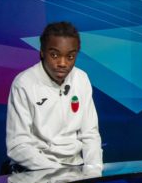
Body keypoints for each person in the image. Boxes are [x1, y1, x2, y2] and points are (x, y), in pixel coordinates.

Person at [6, 22, 102, 171]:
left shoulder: (81, 79)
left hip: (75, 168)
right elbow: (18, 146)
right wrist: (58, 173)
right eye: (55, 55)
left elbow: (90, 135)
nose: (63, 63)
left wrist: (93, 172)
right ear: (42, 52)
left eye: (70, 56)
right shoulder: (24, 83)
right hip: (36, 169)